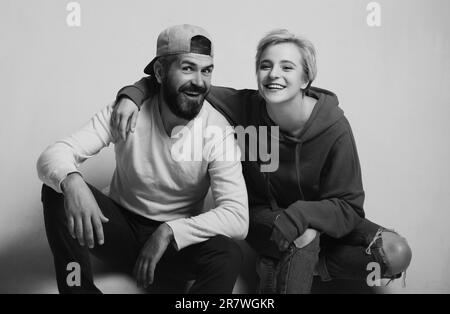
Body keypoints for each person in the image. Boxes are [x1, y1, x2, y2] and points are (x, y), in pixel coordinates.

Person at [112, 29, 412, 294]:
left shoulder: (334, 128)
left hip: (321, 216)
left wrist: (302, 214)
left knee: (396, 253)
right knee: (304, 237)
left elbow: (349, 205)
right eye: (265, 66)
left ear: (305, 77)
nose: (273, 74)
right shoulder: (244, 106)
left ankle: (285, 264)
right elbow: (179, 83)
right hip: (262, 215)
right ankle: (295, 257)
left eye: (287, 67)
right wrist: (132, 94)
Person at [37, 24, 249, 294]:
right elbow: (53, 155)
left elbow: (237, 217)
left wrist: (169, 231)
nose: (199, 81)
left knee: (228, 254)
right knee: (57, 190)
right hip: (116, 230)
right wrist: (72, 181)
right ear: (160, 73)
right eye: (187, 68)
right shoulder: (126, 112)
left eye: (206, 70)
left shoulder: (217, 131)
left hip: (173, 249)